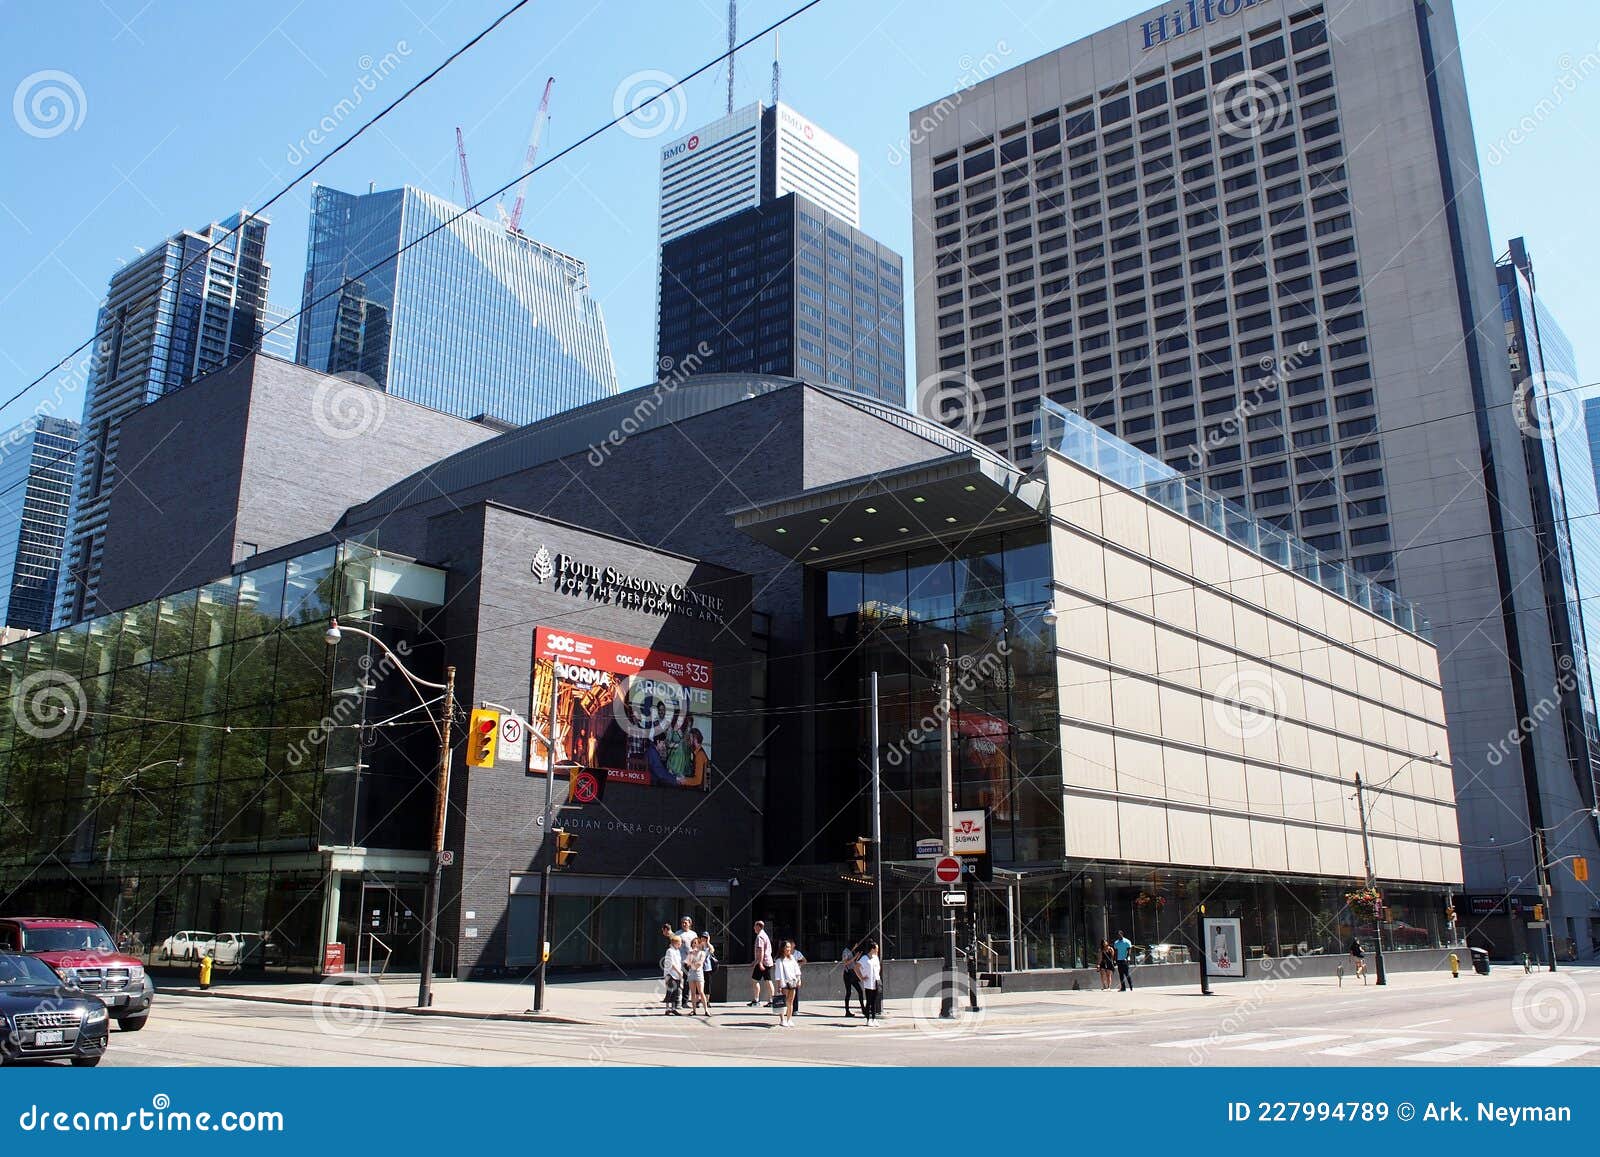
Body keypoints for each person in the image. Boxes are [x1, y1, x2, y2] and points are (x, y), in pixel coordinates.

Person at [773, 940, 803, 1027]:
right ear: (783, 948)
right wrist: (779, 985)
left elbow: (797, 970)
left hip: (792, 982)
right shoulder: (779, 960)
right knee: (783, 1001)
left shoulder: (792, 958)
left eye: (790, 947)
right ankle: (782, 1019)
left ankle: (789, 1019)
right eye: (787, 947)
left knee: (790, 1002)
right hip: (784, 983)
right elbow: (778, 974)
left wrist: (799, 979)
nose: (789, 949)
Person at [855, 941, 883, 1026]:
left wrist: (877, 977)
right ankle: (868, 1019)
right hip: (868, 983)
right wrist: (861, 977)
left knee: (874, 1001)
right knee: (869, 1001)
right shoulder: (864, 958)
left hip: (876, 982)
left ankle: (874, 1019)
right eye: (876, 948)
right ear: (872, 949)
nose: (878, 950)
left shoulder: (876, 958)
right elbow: (856, 968)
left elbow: (878, 968)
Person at [749, 920, 775, 1006]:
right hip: (767, 961)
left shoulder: (760, 936)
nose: (754, 928)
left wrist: (759, 962)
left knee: (755, 980)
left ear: (759, 927)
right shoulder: (765, 935)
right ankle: (771, 1000)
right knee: (768, 980)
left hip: (763, 962)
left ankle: (756, 1000)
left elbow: (761, 950)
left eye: (755, 926)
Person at [684, 936, 711, 1016]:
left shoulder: (702, 953)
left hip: (699, 974)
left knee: (701, 992)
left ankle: (706, 1010)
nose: (694, 944)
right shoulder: (690, 953)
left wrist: (692, 965)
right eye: (693, 943)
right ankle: (694, 1010)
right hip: (691, 974)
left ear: (699, 944)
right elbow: (687, 964)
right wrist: (692, 964)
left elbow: (700, 964)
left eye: (695, 943)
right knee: (692, 993)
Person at [841, 944, 866, 1017]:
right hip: (848, 973)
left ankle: (863, 1009)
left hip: (853, 973)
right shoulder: (846, 951)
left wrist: (858, 956)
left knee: (860, 991)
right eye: (855, 945)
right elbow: (845, 962)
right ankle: (847, 1011)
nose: (856, 946)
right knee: (848, 992)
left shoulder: (852, 951)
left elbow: (854, 962)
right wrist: (855, 957)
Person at [661, 938, 684, 1015]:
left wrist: (680, 972)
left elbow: (678, 963)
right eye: (680, 942)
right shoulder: (669, 951)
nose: (681, 944)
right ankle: (667, 1009)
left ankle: (673, 1008)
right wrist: (678, 971)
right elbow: (671, 963)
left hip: (677, 974)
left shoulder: (677, 951)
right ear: (675, 942)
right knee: (670, 991)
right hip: (670, 974)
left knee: (675, 991)